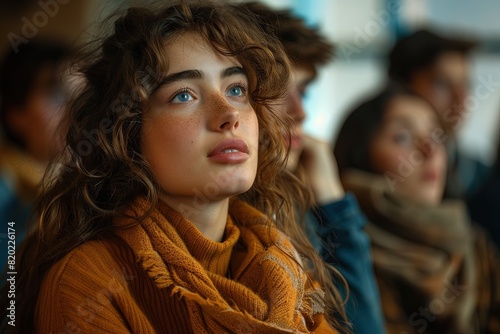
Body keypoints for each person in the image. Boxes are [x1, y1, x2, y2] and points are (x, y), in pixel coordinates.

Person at [0, 2, 349, 333]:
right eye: (184, 95)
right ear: (129, 134)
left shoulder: (284, 264)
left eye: (236, 88)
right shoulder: (89, 282)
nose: (228, 114)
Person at [243, 3, 386, 334]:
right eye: (279, 91)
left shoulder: (293, 205)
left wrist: (332, 199)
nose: (299, 113)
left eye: (303, 93)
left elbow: (360, 325)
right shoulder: (223, 215)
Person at [334, 85, 500, 333]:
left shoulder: (475, 245)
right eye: (402, 137)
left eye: (436, 134)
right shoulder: (340, 250)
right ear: (361, 157)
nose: (430, 149)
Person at [388, 29, 489, 200]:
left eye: (465, 84)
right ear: (403, 87)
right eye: (442, 84)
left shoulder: (481, 176)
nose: (461, 98)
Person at [0, 40, 69, 270]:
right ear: (15, 114)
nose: (74, 107)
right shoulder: (7, 192)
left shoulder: (74, 185)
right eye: (57, 93)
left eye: (82, 91)